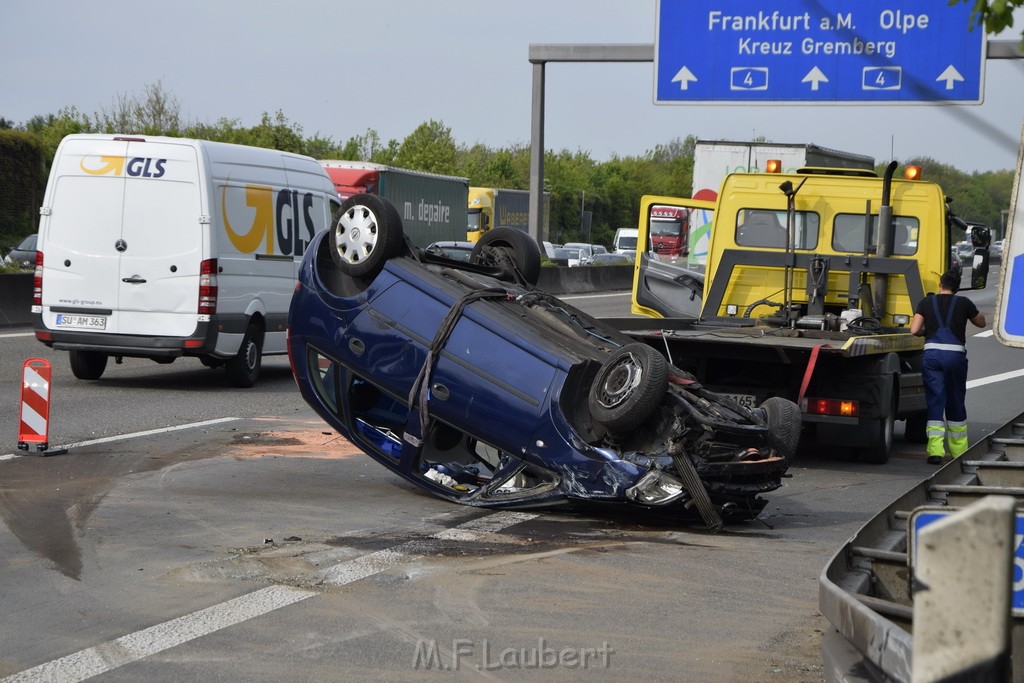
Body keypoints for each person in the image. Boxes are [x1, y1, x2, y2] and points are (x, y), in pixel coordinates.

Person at [909, 270, 986, 464]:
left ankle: (935, 451)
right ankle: (959, 451)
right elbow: (981, 322)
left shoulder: (926, 303)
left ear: (939, 284)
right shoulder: (964, 303)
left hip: (932, 356)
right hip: (955, 356)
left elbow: (915, 330)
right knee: (955, 400)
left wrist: (926, 330)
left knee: (936, 400)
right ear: (957, 287)